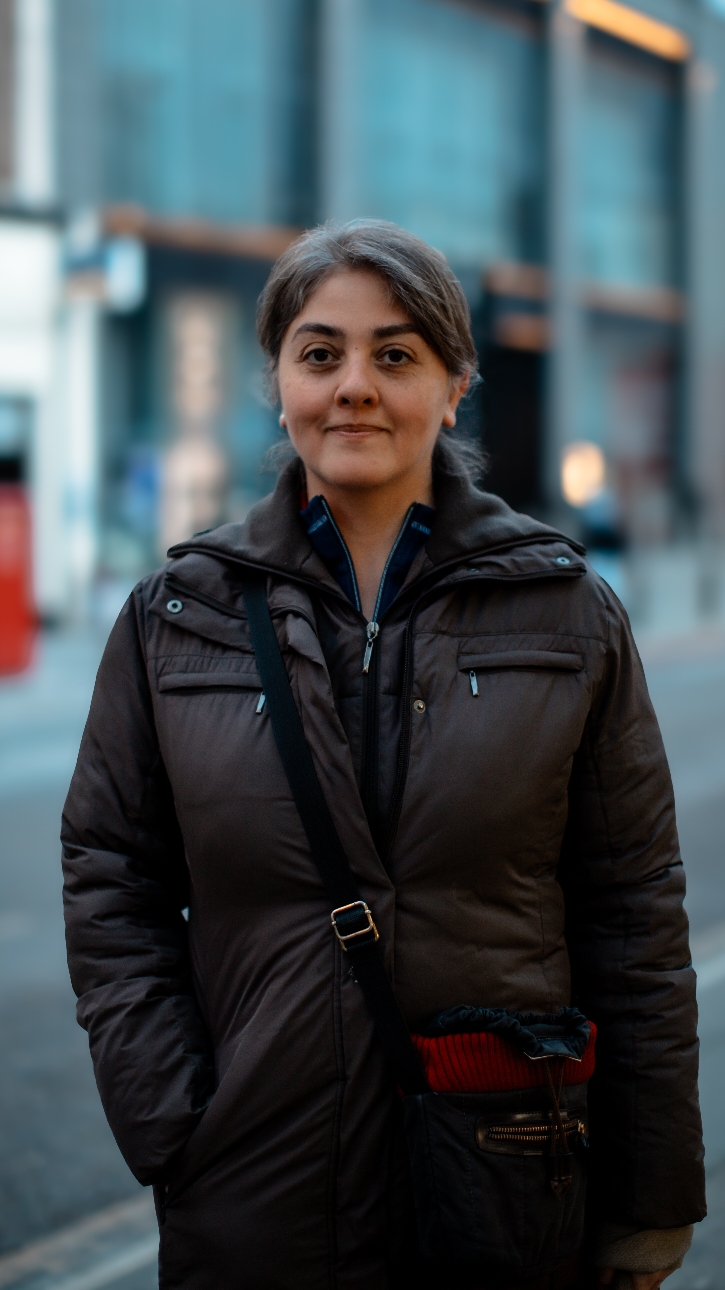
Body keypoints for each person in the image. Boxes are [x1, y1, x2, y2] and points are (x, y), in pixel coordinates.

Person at [62, 220, 705, 1290]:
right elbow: (109, 876)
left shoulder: (566, 614)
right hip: (252, 1189)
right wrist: (173, 1117)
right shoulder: (174, 617)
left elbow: (631, 910)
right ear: (279, 383)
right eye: (320, 354)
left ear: (453, 387)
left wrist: (648, 1199)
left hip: (503, 1183)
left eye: (394, 354)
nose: (353, 385)